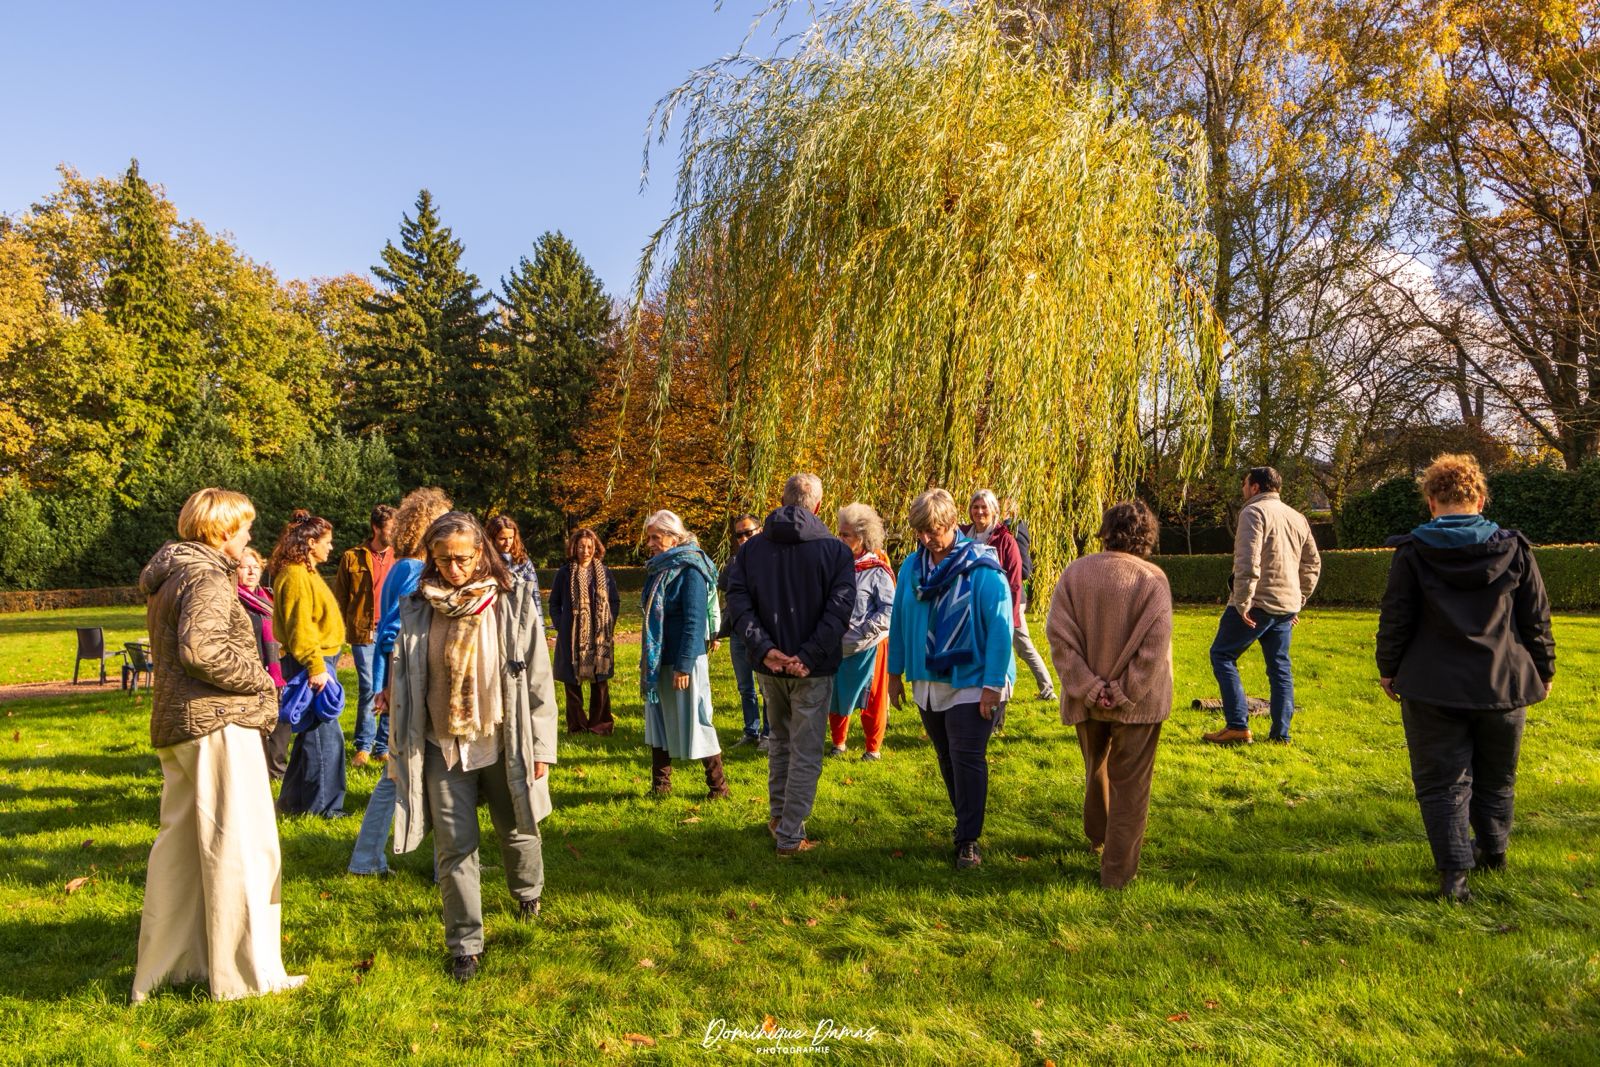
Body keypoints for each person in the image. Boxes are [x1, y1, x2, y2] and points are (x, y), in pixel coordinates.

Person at [131, 488, 304, 1003]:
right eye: (245, 528)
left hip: (182, 725)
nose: (251, 536)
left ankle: (172, 969)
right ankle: (247, 978)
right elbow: (201, 649)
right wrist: (260, 680)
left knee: (181, 853)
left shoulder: (175, 572)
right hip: (217, 723)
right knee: (242, 848)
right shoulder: (206, 574)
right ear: (222, 531)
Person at [388, 511, 559, 982]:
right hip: (441, 743)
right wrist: (396, 753)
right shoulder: (419, 606)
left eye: (462, 558)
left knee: (517, 828)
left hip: (503, 740)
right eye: (442, 560)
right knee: (453, 847)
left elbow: (539, 680)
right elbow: (405, 685)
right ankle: (465, 944)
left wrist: (542, 746)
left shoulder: (512, 601)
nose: (454, 569)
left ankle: (528, 895)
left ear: (481, 552)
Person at [1376, 454, 1555, 902]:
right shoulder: (1514, 548)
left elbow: (1396, 617)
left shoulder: (1413, 553)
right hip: (1504, 682)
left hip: (1432, 685)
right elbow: (1536, 619)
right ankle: (1493, 853)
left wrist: (1388, 668)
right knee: (1498, 777)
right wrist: (1544, 669)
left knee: (1442, 783)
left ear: (1432, 501)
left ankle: (1456, 878)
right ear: (1478, 497)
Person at [725, 474, 856, 857]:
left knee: (781, 740)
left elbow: (739, 603)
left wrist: (766, 650)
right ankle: (789, 833)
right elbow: (839, 611)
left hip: (773, 666)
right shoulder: (835, 551)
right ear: (817, 506)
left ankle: (779, 817)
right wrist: (805, 656)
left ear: (782, 500)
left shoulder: (751, 550)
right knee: (804, 749)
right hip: (806, 669)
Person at [1045, 500, 1173, 888]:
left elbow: (1059, 636)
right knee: (1131, 787)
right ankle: (1116, 874)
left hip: (1086, 699)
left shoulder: (1075, 572)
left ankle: (1097, 835)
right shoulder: (1153, 579)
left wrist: (1089, 687)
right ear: (1147, 536)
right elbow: (1154, 648)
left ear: (1106, 530)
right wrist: (1121, 691)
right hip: (1139, 703)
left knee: (1095, 766)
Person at [887, 488, 1014, 870]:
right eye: (919, 532)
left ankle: (968, 840)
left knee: (967, 756)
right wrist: (894, 674)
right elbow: (899, 620)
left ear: (950, 524)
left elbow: (1001, 627)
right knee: (946, 756)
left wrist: (994, 684)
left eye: (933, 531)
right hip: (927, 678)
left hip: (973, 677)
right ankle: (964, 822)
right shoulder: (912, 566)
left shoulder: (982, 567)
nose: (926, 539)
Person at [348, 486, 453, 877]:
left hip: (407, 683)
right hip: (413, 685)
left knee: (409, 772)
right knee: (398, 774)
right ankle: (367, 859)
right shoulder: (411, 569)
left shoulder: (402, 566)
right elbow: (394, 630)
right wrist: (391, 685)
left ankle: (450, 857)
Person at [1204, 466, 1322, 745]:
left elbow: (1248, 560)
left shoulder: (1253, 512)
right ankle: (1281, 734)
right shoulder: (1297, 517)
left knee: (1222, 655)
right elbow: (1313, 563)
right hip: (1284, 606)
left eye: (1245, 483)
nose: (1243, 489)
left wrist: (1242, 602)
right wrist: (1298, 599)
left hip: (1257, 602)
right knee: (1280, 668)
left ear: (1255, 487)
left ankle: (1237, 726)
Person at [639, 511, 729, 799]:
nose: (650, 543)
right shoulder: (659, 568)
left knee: (697, 720)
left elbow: (694, 620)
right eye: (649, 537)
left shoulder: (691, 569)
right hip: (659, 661)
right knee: (659, 721)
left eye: (656, 536)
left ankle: (718, 788)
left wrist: (684, 666)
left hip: (683, 661)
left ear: (674, 537)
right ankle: (660, 787)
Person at [271, 510, 348, 818]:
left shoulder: (305, 570)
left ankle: (291, 803)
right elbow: (300, 626)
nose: (331, 548)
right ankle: (325, 808)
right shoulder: (296, 575)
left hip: (314, 660)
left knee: (309, 736)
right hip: (310, 663)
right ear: (311, 542)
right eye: (327, 542)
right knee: (325, 739)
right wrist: (315, 666)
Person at [964, 490, 1055, 724]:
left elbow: (1016, 579)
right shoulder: (964, 535)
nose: (980, 511)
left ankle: (1044, 688)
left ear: (994, 510)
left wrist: (1011, 617)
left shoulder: (1005, 538)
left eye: (984, 507)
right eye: (976, 507)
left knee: (1018, 647)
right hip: (971, 607)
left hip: (1003, 606)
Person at [827, 503, 894, 761]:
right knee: (836, 694)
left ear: (863, 538)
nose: (840, 538)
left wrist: (864, 631)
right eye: (840, 533)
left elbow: (889, 609)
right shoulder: (836, 565)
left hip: (869, 645)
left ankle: (872, 748)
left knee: (872, 697)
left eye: (846, 535)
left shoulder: (877, 570)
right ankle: (838, 743)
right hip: (837, 646)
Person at [334, 505, 396, 768]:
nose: (394, 534)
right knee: (369, 688)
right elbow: (339, 597)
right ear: (376, 528)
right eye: (390, 529)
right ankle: (364, 745)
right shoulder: (352, 557)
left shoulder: (401, 556)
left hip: (392, 629)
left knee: (391, 687)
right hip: (363, 630)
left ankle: (384, 746)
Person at [549, 527, 619, 736]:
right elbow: (554, 604)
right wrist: (562, 625)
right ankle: (577, 726)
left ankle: (600, 725)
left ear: (596, 548)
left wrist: (609, 623)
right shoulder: (564, 573)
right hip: (571, 638)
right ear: (574, 548)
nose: (585, 551)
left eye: (589, 547)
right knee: (572, 685)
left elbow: (614, 601)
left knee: (600, 684)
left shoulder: (604, 572)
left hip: (599, 639)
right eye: (581, 547)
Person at [237, 547, 290, 779]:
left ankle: (277, 771)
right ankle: (257, 772)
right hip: (250, 670)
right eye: (244, 566)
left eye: (255, 567)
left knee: (281, 723)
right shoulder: (231, 600)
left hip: (278, 672)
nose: (251, 571)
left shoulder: (268, 598)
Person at [718, 515, 769, 749]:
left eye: (748, 532)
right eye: (739, 535)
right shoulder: (735, 562)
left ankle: (768, 734)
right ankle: (751, 731)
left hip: (762, 633)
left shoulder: (772, 559)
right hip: (739, 632)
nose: (744, 538)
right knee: (744, 686)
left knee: (765, 686)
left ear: (760, 530)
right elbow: (723, 584)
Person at [487, 514, 543, 613]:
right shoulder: (484, 561)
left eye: (511, 538)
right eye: (502, 539)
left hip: (519, 616)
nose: (508, 542)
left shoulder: (522, 560)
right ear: (492, 538)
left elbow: (535, 595)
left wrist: (540, 625)